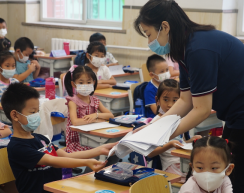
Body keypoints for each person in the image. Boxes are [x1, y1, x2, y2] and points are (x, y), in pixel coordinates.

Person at [134, 1, 244, 191]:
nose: (150, 41)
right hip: (236, 116)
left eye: (149, 34)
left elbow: (201, 110)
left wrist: (160, 136)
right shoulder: (184, 49)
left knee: (232, 180)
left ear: (165, 27)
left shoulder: (198, 49)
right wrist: (151, 128)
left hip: (240, 115)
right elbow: (185, 101)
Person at [2, 83, 116, 193]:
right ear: (15, 115)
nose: (37, 115)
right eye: (32, 112)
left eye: (38, 111)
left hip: (55, 189)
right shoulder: (17, 147)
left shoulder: (41, 138)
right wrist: (87, 162)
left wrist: (100, 149)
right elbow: (54, 161)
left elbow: (67, 156)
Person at [148, 79, 201, 183]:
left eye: (175, 100)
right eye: (166, 99)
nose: (170, 105)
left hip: (185, 161)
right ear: (157, 100)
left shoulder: (180, 119)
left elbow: (180, 143)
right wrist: (170, 145)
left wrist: (191, 140)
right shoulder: (156, 123)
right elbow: (149, 153)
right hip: (170, 165)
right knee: (195, 181)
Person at [64, 65, 114, 153]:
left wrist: (96, 115)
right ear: (73, 84)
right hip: (78, 141)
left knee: (110, 149)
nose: (85, 85)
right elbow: (75, 122)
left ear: (94, 82)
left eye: (88, 82)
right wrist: (95, 120)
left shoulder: (94, 100)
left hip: (94, 137)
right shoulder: (73, 102)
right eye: (81, 83)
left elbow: (111, 116)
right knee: (100, 151)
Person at [0, 51, 18, 120]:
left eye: (13, 66)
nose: (11, 69)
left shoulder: (15, 82)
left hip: (12, 119)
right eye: (7, 66)